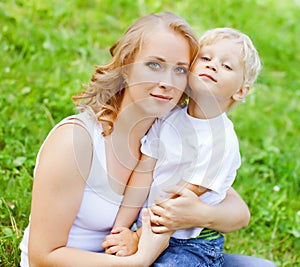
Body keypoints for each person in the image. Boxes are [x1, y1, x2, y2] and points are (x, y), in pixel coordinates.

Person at [19, 11, 199, 267]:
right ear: (125, 67)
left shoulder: (168, 136)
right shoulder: (75, 142)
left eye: (180, 70)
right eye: (154, 65)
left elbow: (236, 210)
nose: (167, 83)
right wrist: (139, 260)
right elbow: (43, 256)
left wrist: (204, 214)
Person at [102, 28, 275, 267]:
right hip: (147, 226)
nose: (213, 66)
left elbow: (177, 203)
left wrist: (137, 238)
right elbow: (143, 174)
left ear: (241, 91)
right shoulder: (168, 118)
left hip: (190, 245)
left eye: (226, 66)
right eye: (205, 58)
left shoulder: (221, 142)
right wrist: (120, 229)